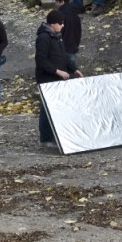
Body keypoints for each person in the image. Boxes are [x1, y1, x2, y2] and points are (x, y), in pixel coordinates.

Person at [34, 10, 82, 147]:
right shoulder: (43, 38)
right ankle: (45, 138)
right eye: (60, 23)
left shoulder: (57, 36)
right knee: (46, 108)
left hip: (57, 78)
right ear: (53, 24)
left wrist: (74, 69)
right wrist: (57, 71)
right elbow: (41, 60)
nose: (62, 26)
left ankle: (58, 135)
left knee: (57, 107)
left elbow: (64, 56)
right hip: (46, 79)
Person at [53, 0, 82, 70]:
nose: (55, 4)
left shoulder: (60, 15)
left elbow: (57, 31)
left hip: (62, 45)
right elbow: (78, 31)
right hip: (73, 44)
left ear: (62, 2)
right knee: (72, 67)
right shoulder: (76, 15)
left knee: (62, 67)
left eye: (56, 1)